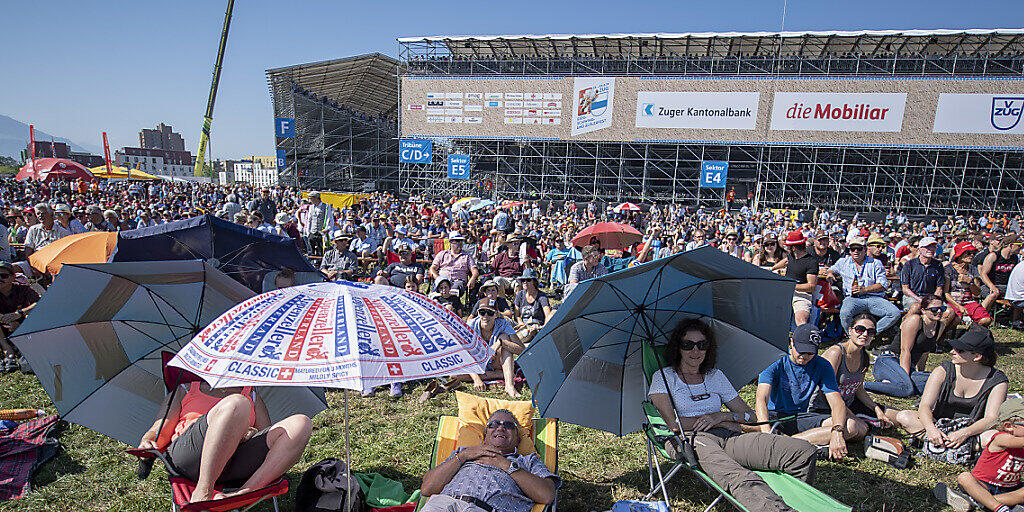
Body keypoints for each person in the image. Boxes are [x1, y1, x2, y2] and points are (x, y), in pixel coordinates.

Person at [648, 319, 817, 512]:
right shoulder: (664, 377)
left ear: (708, 348)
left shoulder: (715, 376)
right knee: (741, 477)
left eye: (702, 345)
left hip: (729, 437)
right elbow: (674, 424)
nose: (695, 351)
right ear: (678, 348)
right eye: (688, 345)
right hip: (691, 440)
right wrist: (714, 421)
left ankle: (796, 501)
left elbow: (750, 416)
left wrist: (721, 417)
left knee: (803, 452)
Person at [136, 382, 312, 504]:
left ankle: (247, 491)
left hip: (235, 460)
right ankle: (203, 491)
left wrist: (251, 432)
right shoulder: (185, 389)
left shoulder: (251, 394)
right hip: (190, 457)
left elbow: (267, 436)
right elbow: (160, 429)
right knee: (237, 403)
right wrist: (147, 440)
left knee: (301, 423)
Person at [890, 325, 1008, 459]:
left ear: (977, 356)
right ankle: (949, 445)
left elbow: (991, 418)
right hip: (939, 425)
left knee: (993, 437)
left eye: (960, 350)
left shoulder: (997, 380)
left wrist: (965, 433)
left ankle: (939, 445)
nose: (952, 352)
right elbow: (925, 406)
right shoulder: (943, 370)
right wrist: (931, 429)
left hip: (972, 432)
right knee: (904, 416)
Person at [419, 409, 558, 512]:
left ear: (517, 439)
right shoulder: (463, 453)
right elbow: (427, 488)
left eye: (509, 426)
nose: (501, 427)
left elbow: (547, 495)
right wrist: (464, 456)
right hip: (444, 504)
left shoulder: (528, 460)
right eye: (494, 424)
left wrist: (506, 465)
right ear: (485, 436)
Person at [754, 324, 852, 459]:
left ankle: (786, 443)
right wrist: (766, 433)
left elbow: (836, 402)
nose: (804, 356)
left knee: (852, 426)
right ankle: (797, 442)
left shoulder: (822, 365)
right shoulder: (774, 360)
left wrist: (837, 432)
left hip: (800, 417)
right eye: (801, 351)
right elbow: (761, 399)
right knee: (743, 421)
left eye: (810, 353)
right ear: (791, 342)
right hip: (773, 415)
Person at [935, 397, 1024, 512]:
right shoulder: (1001, 438)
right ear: (1009, 426)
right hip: (982, 485)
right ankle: (999, 508)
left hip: (1010, 488)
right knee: (965, 478)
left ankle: (976, 501)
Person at [809, 313, 892, 434]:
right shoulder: (836, 353)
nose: (865, 334)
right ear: (850, 330)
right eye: (860, 329)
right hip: (824, 408)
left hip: (848, 405)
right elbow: (825, 391)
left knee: (897, 416)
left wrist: (877, 410)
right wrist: (854, 417)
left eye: (871, 331)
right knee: (856, 428)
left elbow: (858, 389)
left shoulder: (864, 356)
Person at [864, 294, 945, 398]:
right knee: (907, 389)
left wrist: (919, 373)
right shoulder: (915, 320)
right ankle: (863, 385)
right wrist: (905, 379)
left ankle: (891, 385)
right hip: (890, 360)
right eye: (934, 309)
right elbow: (905, 350)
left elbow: (925, 353)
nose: (939, 312)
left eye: (942, 309)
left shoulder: (940, 326)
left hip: (907, 367)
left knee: (936, 381)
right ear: (923, 310)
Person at [826, 236, 901, 333]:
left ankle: (870, 333)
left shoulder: (876, 263)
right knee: (844, 313)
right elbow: (832, 269)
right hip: (853, 298)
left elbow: (883, 284)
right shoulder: (843, 262)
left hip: (874, 298)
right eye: (853, 249)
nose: (856, 251)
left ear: (865, 249)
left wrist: (865, 290)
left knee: (895, 313)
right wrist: (830, 274)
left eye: (859, 248)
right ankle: (852, 336)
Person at [460, 298, 524, 397]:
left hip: (496, 361)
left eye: (490, 313)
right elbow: (464, 354)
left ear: (496, 314)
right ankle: (500, 375)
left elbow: (522, 350)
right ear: (478, 313)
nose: (485, 316)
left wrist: (501, 343)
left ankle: (509, 385)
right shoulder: (471, 325)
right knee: (454, 375)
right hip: (477, 363)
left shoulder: (503, 324)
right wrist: (477, 379)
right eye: (482, 312)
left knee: (504, 338)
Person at [944, 241, 994, 334]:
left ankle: (967, 335)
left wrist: (970, 282)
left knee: (986, 320)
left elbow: (977, 293)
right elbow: (946, 293)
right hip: (953, 302)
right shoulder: (948, 269)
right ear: (960, 254)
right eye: (968, 253)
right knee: (956, 319)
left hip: (969, 302)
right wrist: (958, 306)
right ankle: (945, 337)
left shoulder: (971, 269)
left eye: (973, 253)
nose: (971, 255)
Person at [0, 263, 38, 371]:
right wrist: (3, 318)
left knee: (31, 315)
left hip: (22, 326)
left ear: (12, 277)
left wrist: (19, 314)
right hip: (2, 329)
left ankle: (23, 350)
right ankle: (8, 351)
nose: (0, 279)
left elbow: (39, 303)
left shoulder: (23, 290)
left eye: (4, 276)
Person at [778, 231, 819, 326]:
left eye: (787, 246)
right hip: (786, 293)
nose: (786, 248)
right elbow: (785, 261)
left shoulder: (811, 262)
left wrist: (792, 286)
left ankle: (801, 338)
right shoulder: (791, 256)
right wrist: (772, 268)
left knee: (801, 321)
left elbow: (811, 286)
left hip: (802, 295)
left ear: (794, 248)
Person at [900, 236, 947, 312]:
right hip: (912, 297)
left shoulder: (938, 265)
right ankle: (906, 323)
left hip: (931, 297)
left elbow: (939, 288)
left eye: (933, 247)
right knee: (916, 307)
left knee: (949, 311)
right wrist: (919, 299)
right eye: (927, 247)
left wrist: (934, 300)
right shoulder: (909, 264)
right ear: (920, 249)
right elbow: (905, 289)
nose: (931, 249)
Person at [512, 269, 552, 345]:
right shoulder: (520, 294)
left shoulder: (541, 296)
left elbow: (548, 314)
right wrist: (521, 323)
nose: (525, 282)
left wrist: (544, 328)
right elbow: (516, 315)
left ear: (534, 282)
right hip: (522, 324)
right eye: (523, 280)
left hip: (535, 324)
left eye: (528, 280)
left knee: (530, 330)